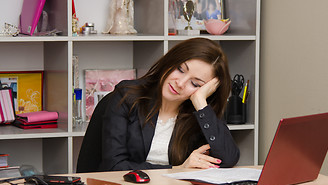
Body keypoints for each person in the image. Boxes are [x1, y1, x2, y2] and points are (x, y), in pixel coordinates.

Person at [77, 37, 239, 172]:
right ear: (170, 61)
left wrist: (201, 103)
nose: (180, 83)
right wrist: (176, 169)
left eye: (195, 84)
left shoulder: (200, 114)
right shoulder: (126, 97)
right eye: (180, 69)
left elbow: (227, 159)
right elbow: (114, 167)